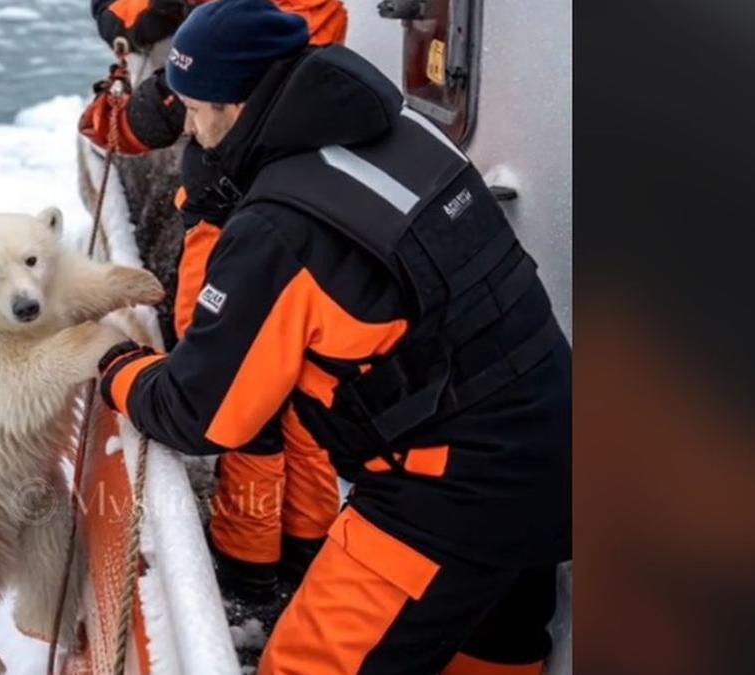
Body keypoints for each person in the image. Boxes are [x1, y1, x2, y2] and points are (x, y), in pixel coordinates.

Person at [95, 0, 572, 673]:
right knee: (494, 650)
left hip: (450, 493)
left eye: (196, 110)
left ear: (236, 105)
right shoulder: (404, 132)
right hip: (556, 440)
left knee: (303, 664)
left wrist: (115, 364)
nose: (193, 132)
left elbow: (202, 411)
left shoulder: (278, 229)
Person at [81, 0, 350, 600]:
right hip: (290, 229)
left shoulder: (227, 81)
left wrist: (114, 366)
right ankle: (304, 552)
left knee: (241, 406)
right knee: (303, 400)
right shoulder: (324, 90)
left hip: (234, 224)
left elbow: (199, 405)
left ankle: (246, 570)